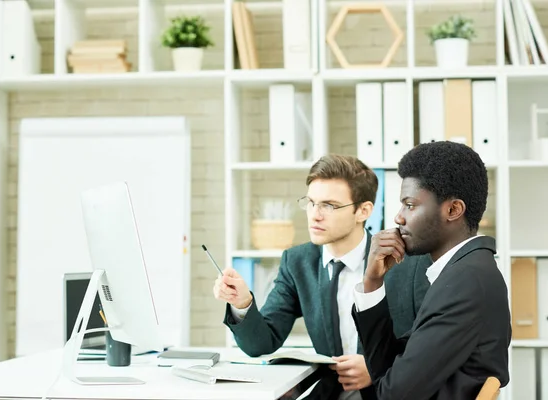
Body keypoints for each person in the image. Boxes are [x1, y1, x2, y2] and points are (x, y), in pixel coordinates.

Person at [213, 154, 432, 400]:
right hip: (329, 393)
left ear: (363, 211)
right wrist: (242, 304)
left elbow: (432, 342)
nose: (315, 215)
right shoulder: (298, 262)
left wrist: (380, 366)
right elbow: (262, 344)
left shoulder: (408, 262)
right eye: (311, 202)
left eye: (329, 205)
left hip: (392, 391)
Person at [351, 141, 511, 400]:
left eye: (410, 205)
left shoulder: (466, 282)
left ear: (453, 210)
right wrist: (372, 282)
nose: (398, 218)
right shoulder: (464, 272)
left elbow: (392, 395)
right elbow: (393, 369)